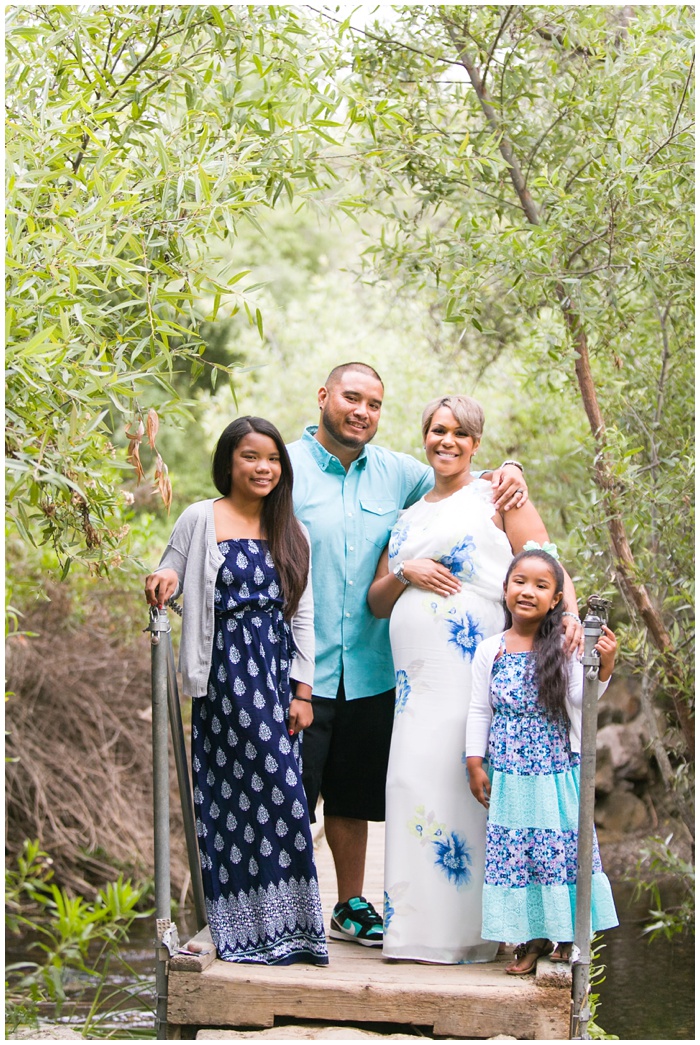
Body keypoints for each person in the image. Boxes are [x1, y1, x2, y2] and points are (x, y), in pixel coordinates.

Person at [288, 364, 529, 947]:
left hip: (372, 672)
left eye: (374, 403)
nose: (362, 411)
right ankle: (284, 913)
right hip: (299, 665)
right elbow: (232, 511)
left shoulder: (400, 475)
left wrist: (512, 469)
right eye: (352, 398)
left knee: (352, 795)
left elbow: (467, 486)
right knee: (290, 792)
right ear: (324, 397)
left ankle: (349, 907)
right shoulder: (284, 466)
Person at [367, 395, 583, 964]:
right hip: (415, 685)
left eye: (460, 434)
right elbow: (376, 601)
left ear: (476, 444)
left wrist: (572, 623)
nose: (447, 441)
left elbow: (546, 561)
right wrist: (402, 570)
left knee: (470, 785)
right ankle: (413, 934)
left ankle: (480, 932)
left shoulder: (496, 494)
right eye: (438, 430)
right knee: (413, 785)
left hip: (474, 666)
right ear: (425, 436)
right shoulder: (409, 517)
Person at [144, 417, 328, 966]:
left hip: (275, 676)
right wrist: (163, 582)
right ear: (229, 462)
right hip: (223, 675)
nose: (263, 467)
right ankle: (243, 931)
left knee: (285, 800)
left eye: (271, 458)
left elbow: (304, 616)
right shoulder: (201, 518)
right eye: (251, 457)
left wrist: (303, 691)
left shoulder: (292, 530)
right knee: (229, 802)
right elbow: (171, 572)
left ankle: (291, 932)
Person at [466, 546, 618, 975]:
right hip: (510, 774)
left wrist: (603, 668)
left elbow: (578, 699)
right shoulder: (490, 650)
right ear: (505, 588)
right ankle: (529, 940)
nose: (527, 591)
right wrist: (475, 761)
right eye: (520, 581)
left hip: (554, 771)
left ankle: (567, 936)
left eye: (540, 585)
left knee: (559, 852)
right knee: (519, 856)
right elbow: (480, 708)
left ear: (556, 600)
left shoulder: (564, 645)